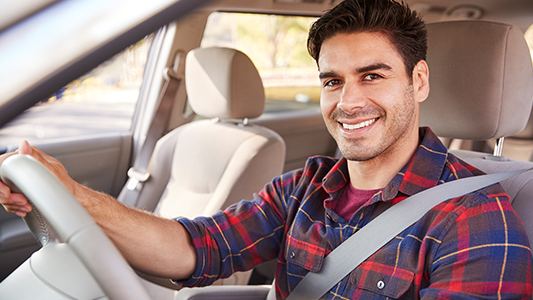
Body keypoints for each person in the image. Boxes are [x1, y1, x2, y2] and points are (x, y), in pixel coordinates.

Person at [1, 0, 532, 298]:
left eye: (372, 76)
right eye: (332, 81)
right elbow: (196, 248)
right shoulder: (307, 185)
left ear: (418, 82)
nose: (348, 102)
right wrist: (71, 195)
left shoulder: (475, 218)